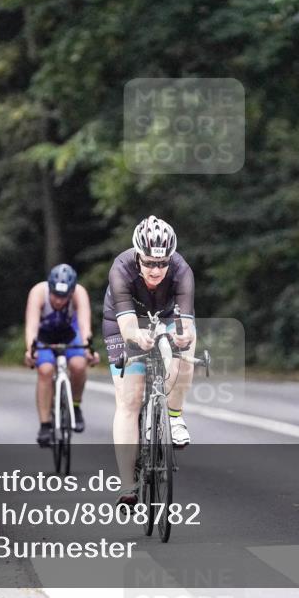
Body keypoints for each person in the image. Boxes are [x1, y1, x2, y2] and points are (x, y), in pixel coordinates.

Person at [103, 216, 196, 507]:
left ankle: (175, 416)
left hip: (167, 316)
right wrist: (137, 338)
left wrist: (183, 338)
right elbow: (129, 327)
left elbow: (187, 324)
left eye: (162, 263)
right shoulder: (121, 268)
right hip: (123, 320)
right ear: (137, 255)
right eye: (149, 263)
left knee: (187, 353)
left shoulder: (181, 270)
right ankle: (127, 484)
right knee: (129, 398)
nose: (156, 270)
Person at [24, 264, 99, 447]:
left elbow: (84, 325)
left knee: (79, 365)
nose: (58, 301)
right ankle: (44, 425)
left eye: (64, 297)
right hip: (44, 334)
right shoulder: (38, 292)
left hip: (70, 333)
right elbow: (32, 325)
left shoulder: (79, 293)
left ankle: (75, 405)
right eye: (55, 295)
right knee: (45, 370)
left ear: (71, 292)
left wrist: (89, 349)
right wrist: (30, 350)